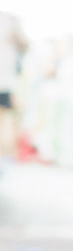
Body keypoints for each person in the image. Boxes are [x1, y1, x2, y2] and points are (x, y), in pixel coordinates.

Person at [0, 9, 28, 160]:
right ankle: (4, 158)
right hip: (5, 82)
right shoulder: (9, 20)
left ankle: (4, 158)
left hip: (5, 81)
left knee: (6, 121)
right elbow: (25, 45)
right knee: (6, 122)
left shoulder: (9, 19)